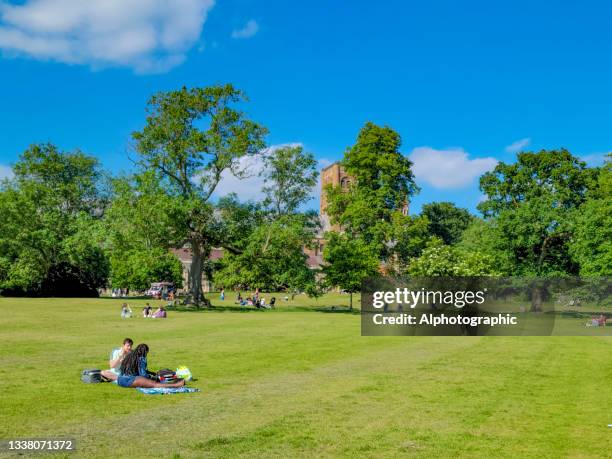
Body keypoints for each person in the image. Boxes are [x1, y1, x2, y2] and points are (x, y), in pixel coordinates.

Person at [117, 344, 185, 389]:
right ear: (145, 352)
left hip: (120, 380)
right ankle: (176, 385)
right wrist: (152, 377)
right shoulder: (141, 358)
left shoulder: (130, 356)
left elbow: (135, 369)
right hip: (130, 381)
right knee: (154, 384)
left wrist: (150, 372)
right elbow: (143, 374)